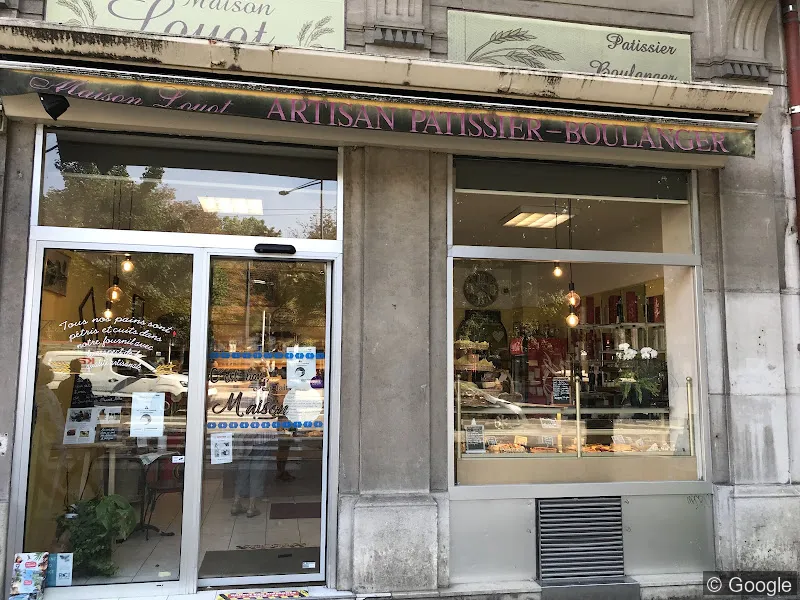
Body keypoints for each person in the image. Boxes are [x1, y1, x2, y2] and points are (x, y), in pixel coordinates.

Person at [24, 363, 67, 551]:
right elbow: (51, 420)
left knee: (42, 482)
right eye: (47, 371)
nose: (51, 373)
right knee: (41, 482)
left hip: (46, 445)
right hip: (45, 444)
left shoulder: (41, 393)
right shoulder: (41, 394)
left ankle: (62, 504)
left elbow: (52, 419)